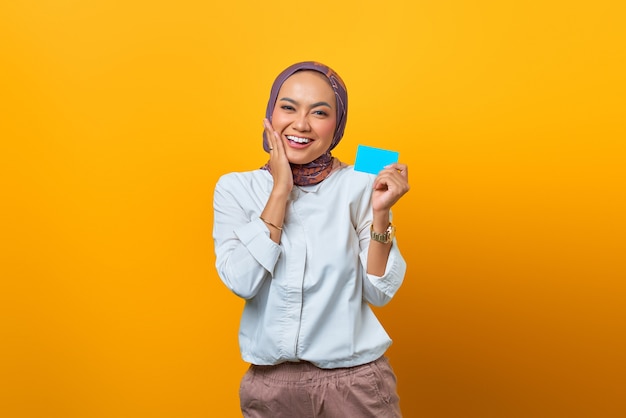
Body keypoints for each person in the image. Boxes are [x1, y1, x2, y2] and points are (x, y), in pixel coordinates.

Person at [213, 61, 410, 417]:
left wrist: (381, 212)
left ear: (337, 126)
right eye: (288, 107)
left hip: (355, 384)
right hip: (271, 389)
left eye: (319, 112)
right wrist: (279, 192)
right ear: (270, 113)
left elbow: (379, 292)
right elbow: (242, 282)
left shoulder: (360, 182)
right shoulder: (236, 188)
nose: (301, 124)